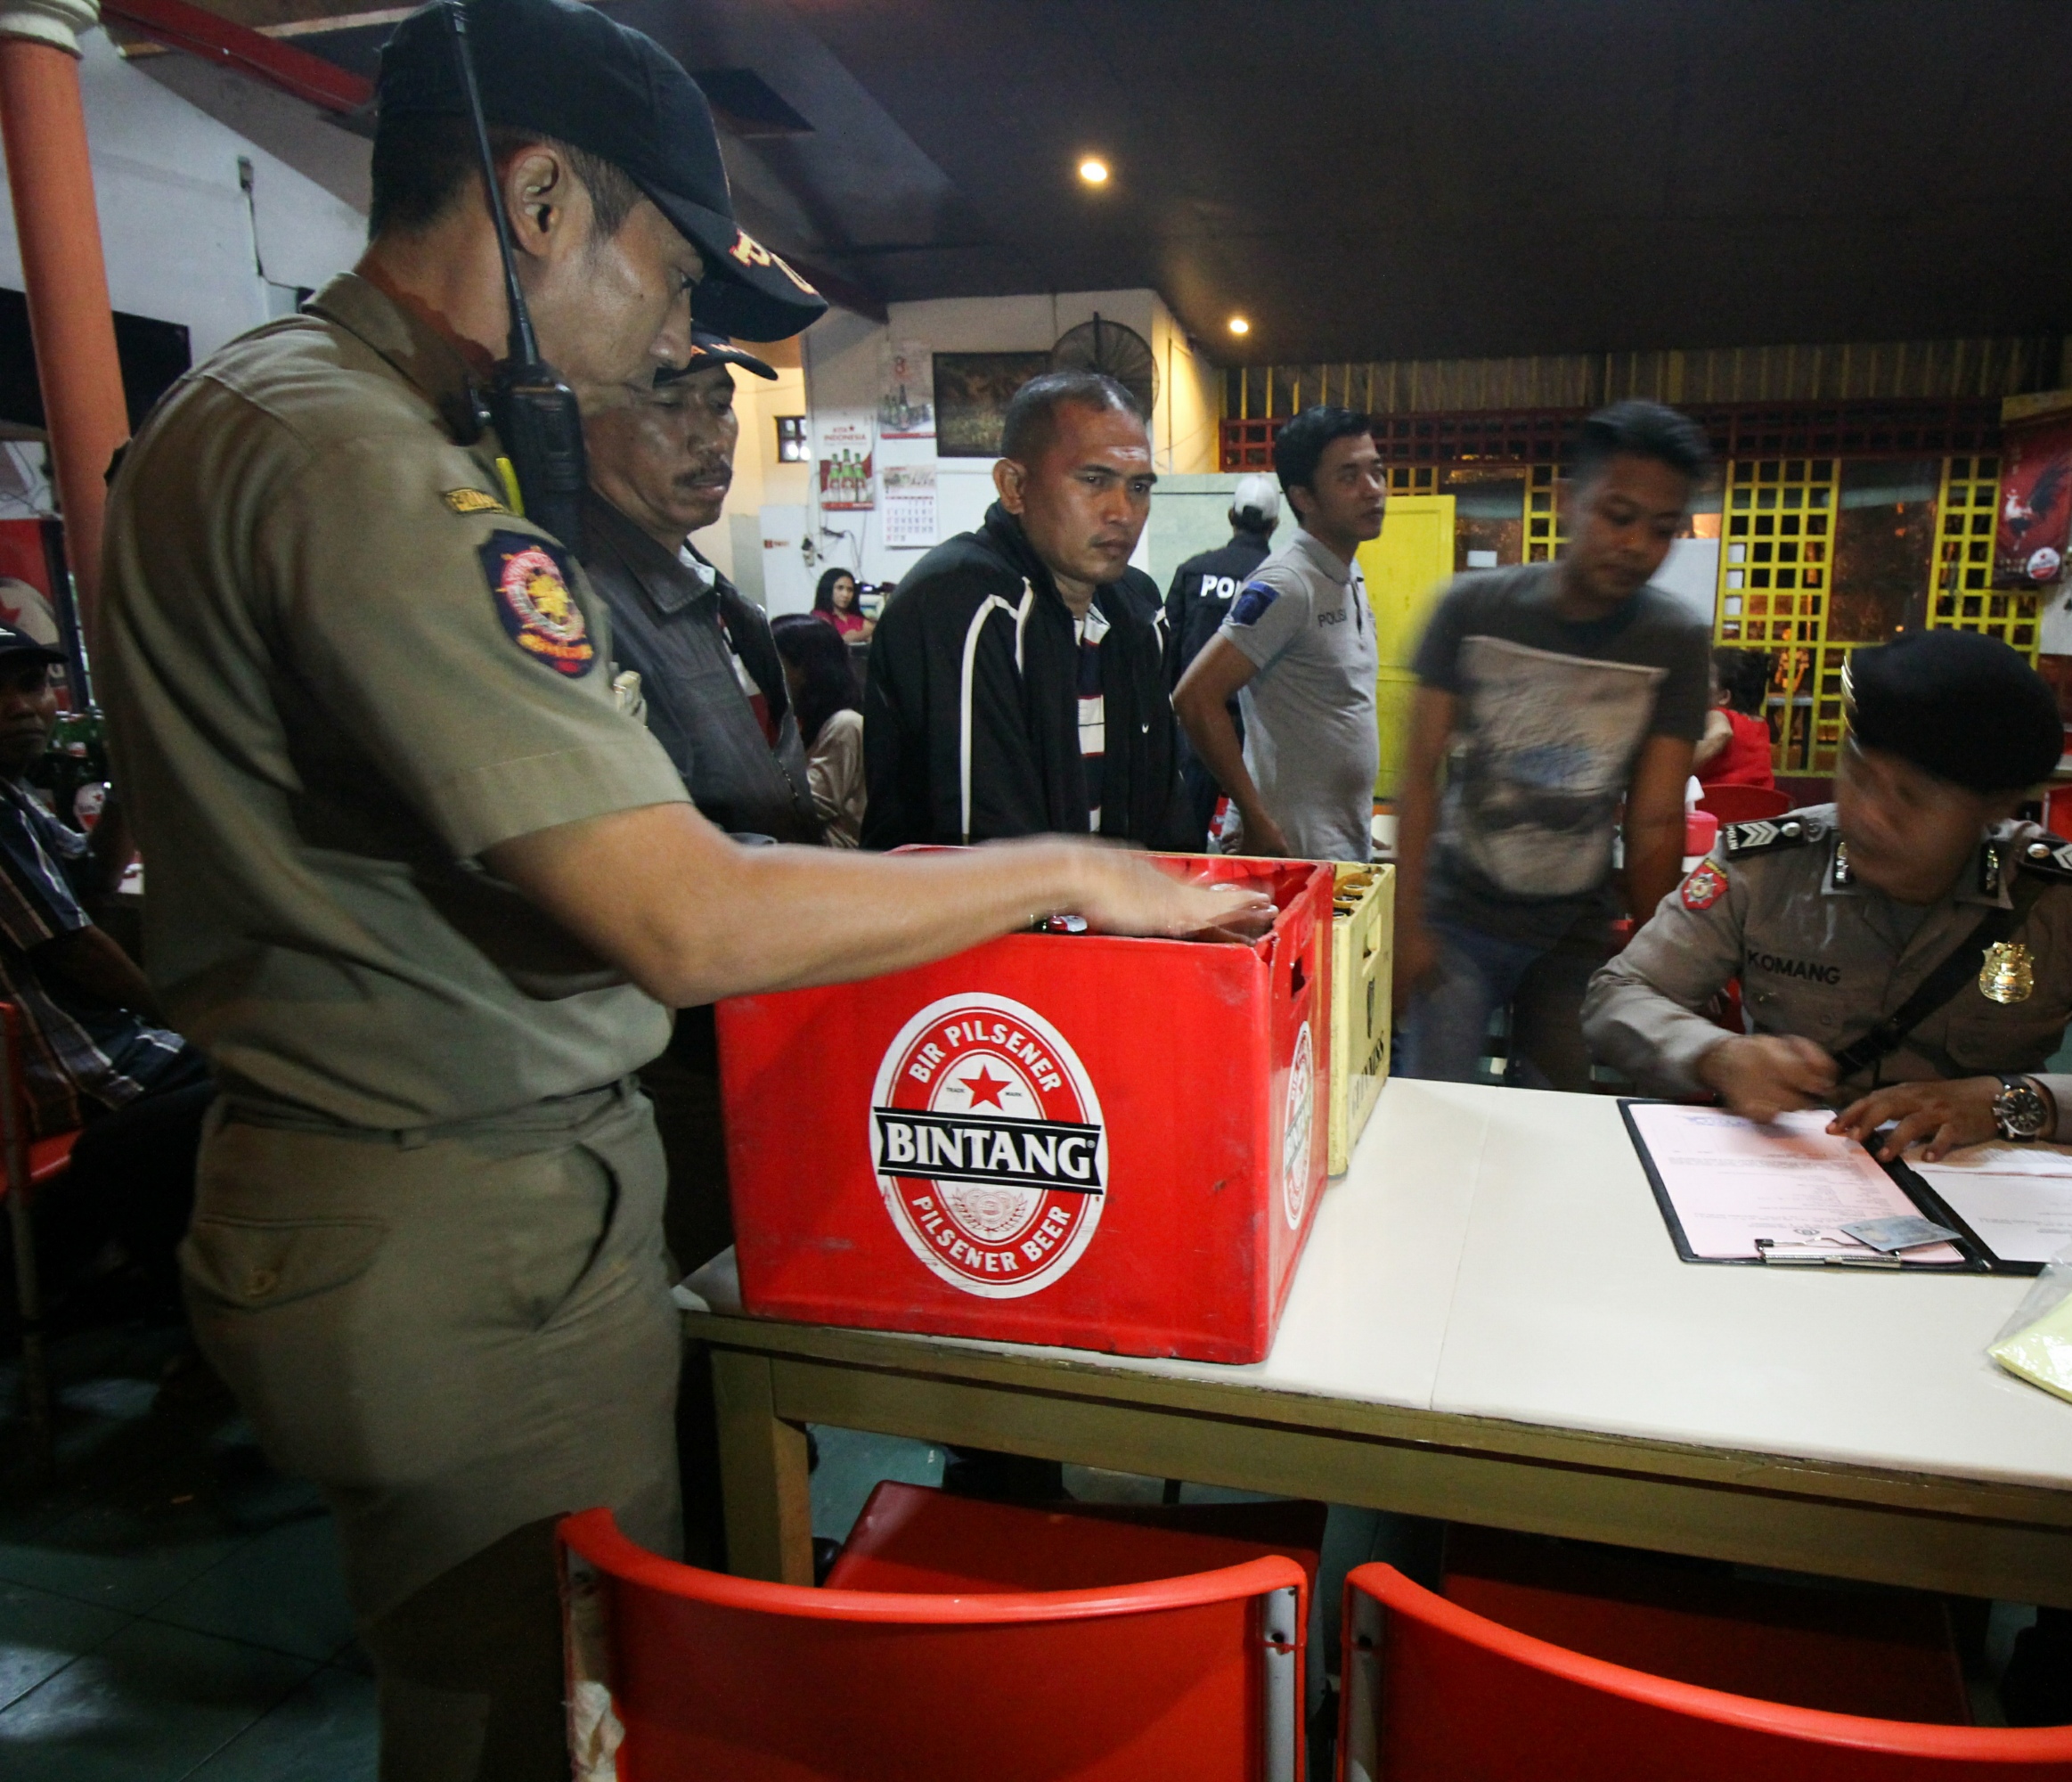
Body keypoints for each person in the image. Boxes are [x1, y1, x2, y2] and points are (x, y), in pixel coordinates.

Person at [93, 4, 1268, 1777]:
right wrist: (1079, 867)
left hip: (382, 1190)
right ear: (541, 197)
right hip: (465, 1218)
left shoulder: (257, 414)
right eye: (670, 268)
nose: (673, 329)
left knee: (506, 1698)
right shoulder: (366, 464)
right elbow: (686, 913)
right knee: (549, 1722)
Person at [1586, 627, 2072, 1165]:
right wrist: (1716, 1054)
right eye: (1857, 773)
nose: (1870, 815)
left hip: (1991, 1200)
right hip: (1797, 1182)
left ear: (1994, 808)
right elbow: (1618, 996)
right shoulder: (1768, 865)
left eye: (1913, 797)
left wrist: (2011, 1103)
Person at [582, 328, 818, 1278]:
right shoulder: (577, 596)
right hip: (662, 1059)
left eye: (719, 405)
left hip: (750, 1028)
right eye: (668, 403)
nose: (710, 436)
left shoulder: (717, 599)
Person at [1394, 400, 1713, 1090]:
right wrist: (1405, 927)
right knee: (1435, 1099)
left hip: (1574, 930)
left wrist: (1660, 967)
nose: (1635, 546)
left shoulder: (1676, 641)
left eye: (1661, 530)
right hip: (1459, 921)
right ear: (1569, 501)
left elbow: (1656, 819)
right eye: (1618, 516)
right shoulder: (1473, 610)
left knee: (1564, 1110)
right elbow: (1418, 775)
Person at [861, 370, 1201, 852]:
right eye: (1094, 480)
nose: (1122, 511)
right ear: (1014, 486)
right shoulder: (962, 604)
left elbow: (1165, 809)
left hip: (1109, 923)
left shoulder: (1138, 610)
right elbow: (981, 848)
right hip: (976, 925)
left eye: (1139, 487)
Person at [0, 625, 212, 1312]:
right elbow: (75, 946)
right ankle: (208, 1305)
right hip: (69, 1077)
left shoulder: (15, 802)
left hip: (89, 1054)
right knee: (270, 1079)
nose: (22, 706)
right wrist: (187, 1017)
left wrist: (124, 775)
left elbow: (93, 882)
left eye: (32, 685)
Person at [1172, 408, 1385, 859]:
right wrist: (1255, 817)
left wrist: (1357, 825)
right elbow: (1195, 697)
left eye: (1376, 471)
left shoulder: (1348, 572)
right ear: (1303, 497)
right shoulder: (1287, 583)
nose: (1373, 489)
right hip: (1286, 850)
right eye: (1349, 477)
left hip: (1338, 842)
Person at [1161, 474, 1280, 842]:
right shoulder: (1279, 578)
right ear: (1274, 524)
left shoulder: (1194, 571)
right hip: (1258, 733)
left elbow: (1167, 649)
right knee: (1257, 838)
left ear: (1232, 515)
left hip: (1198, 728)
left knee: (1187, 838)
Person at [772, 612, 864, 847]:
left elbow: (811, 806)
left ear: (803, 669)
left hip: (841, 866)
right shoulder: (814, 723)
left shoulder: (845, 724)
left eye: (777, 662)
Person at [1694, 647, 1775, 788]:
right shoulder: (1761, 725)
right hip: (1761, 805)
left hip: (1719, 804)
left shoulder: (1719, 714)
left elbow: (1721, 733)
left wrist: (1677, 772)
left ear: (1724, 696)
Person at [812, 565, 869, 640]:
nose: (845, 595)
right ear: (828, 590)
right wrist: (865, 633)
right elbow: (836, 641)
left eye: (850, 590)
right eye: (840, 588)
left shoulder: (856, 618)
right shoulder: (818, 617)